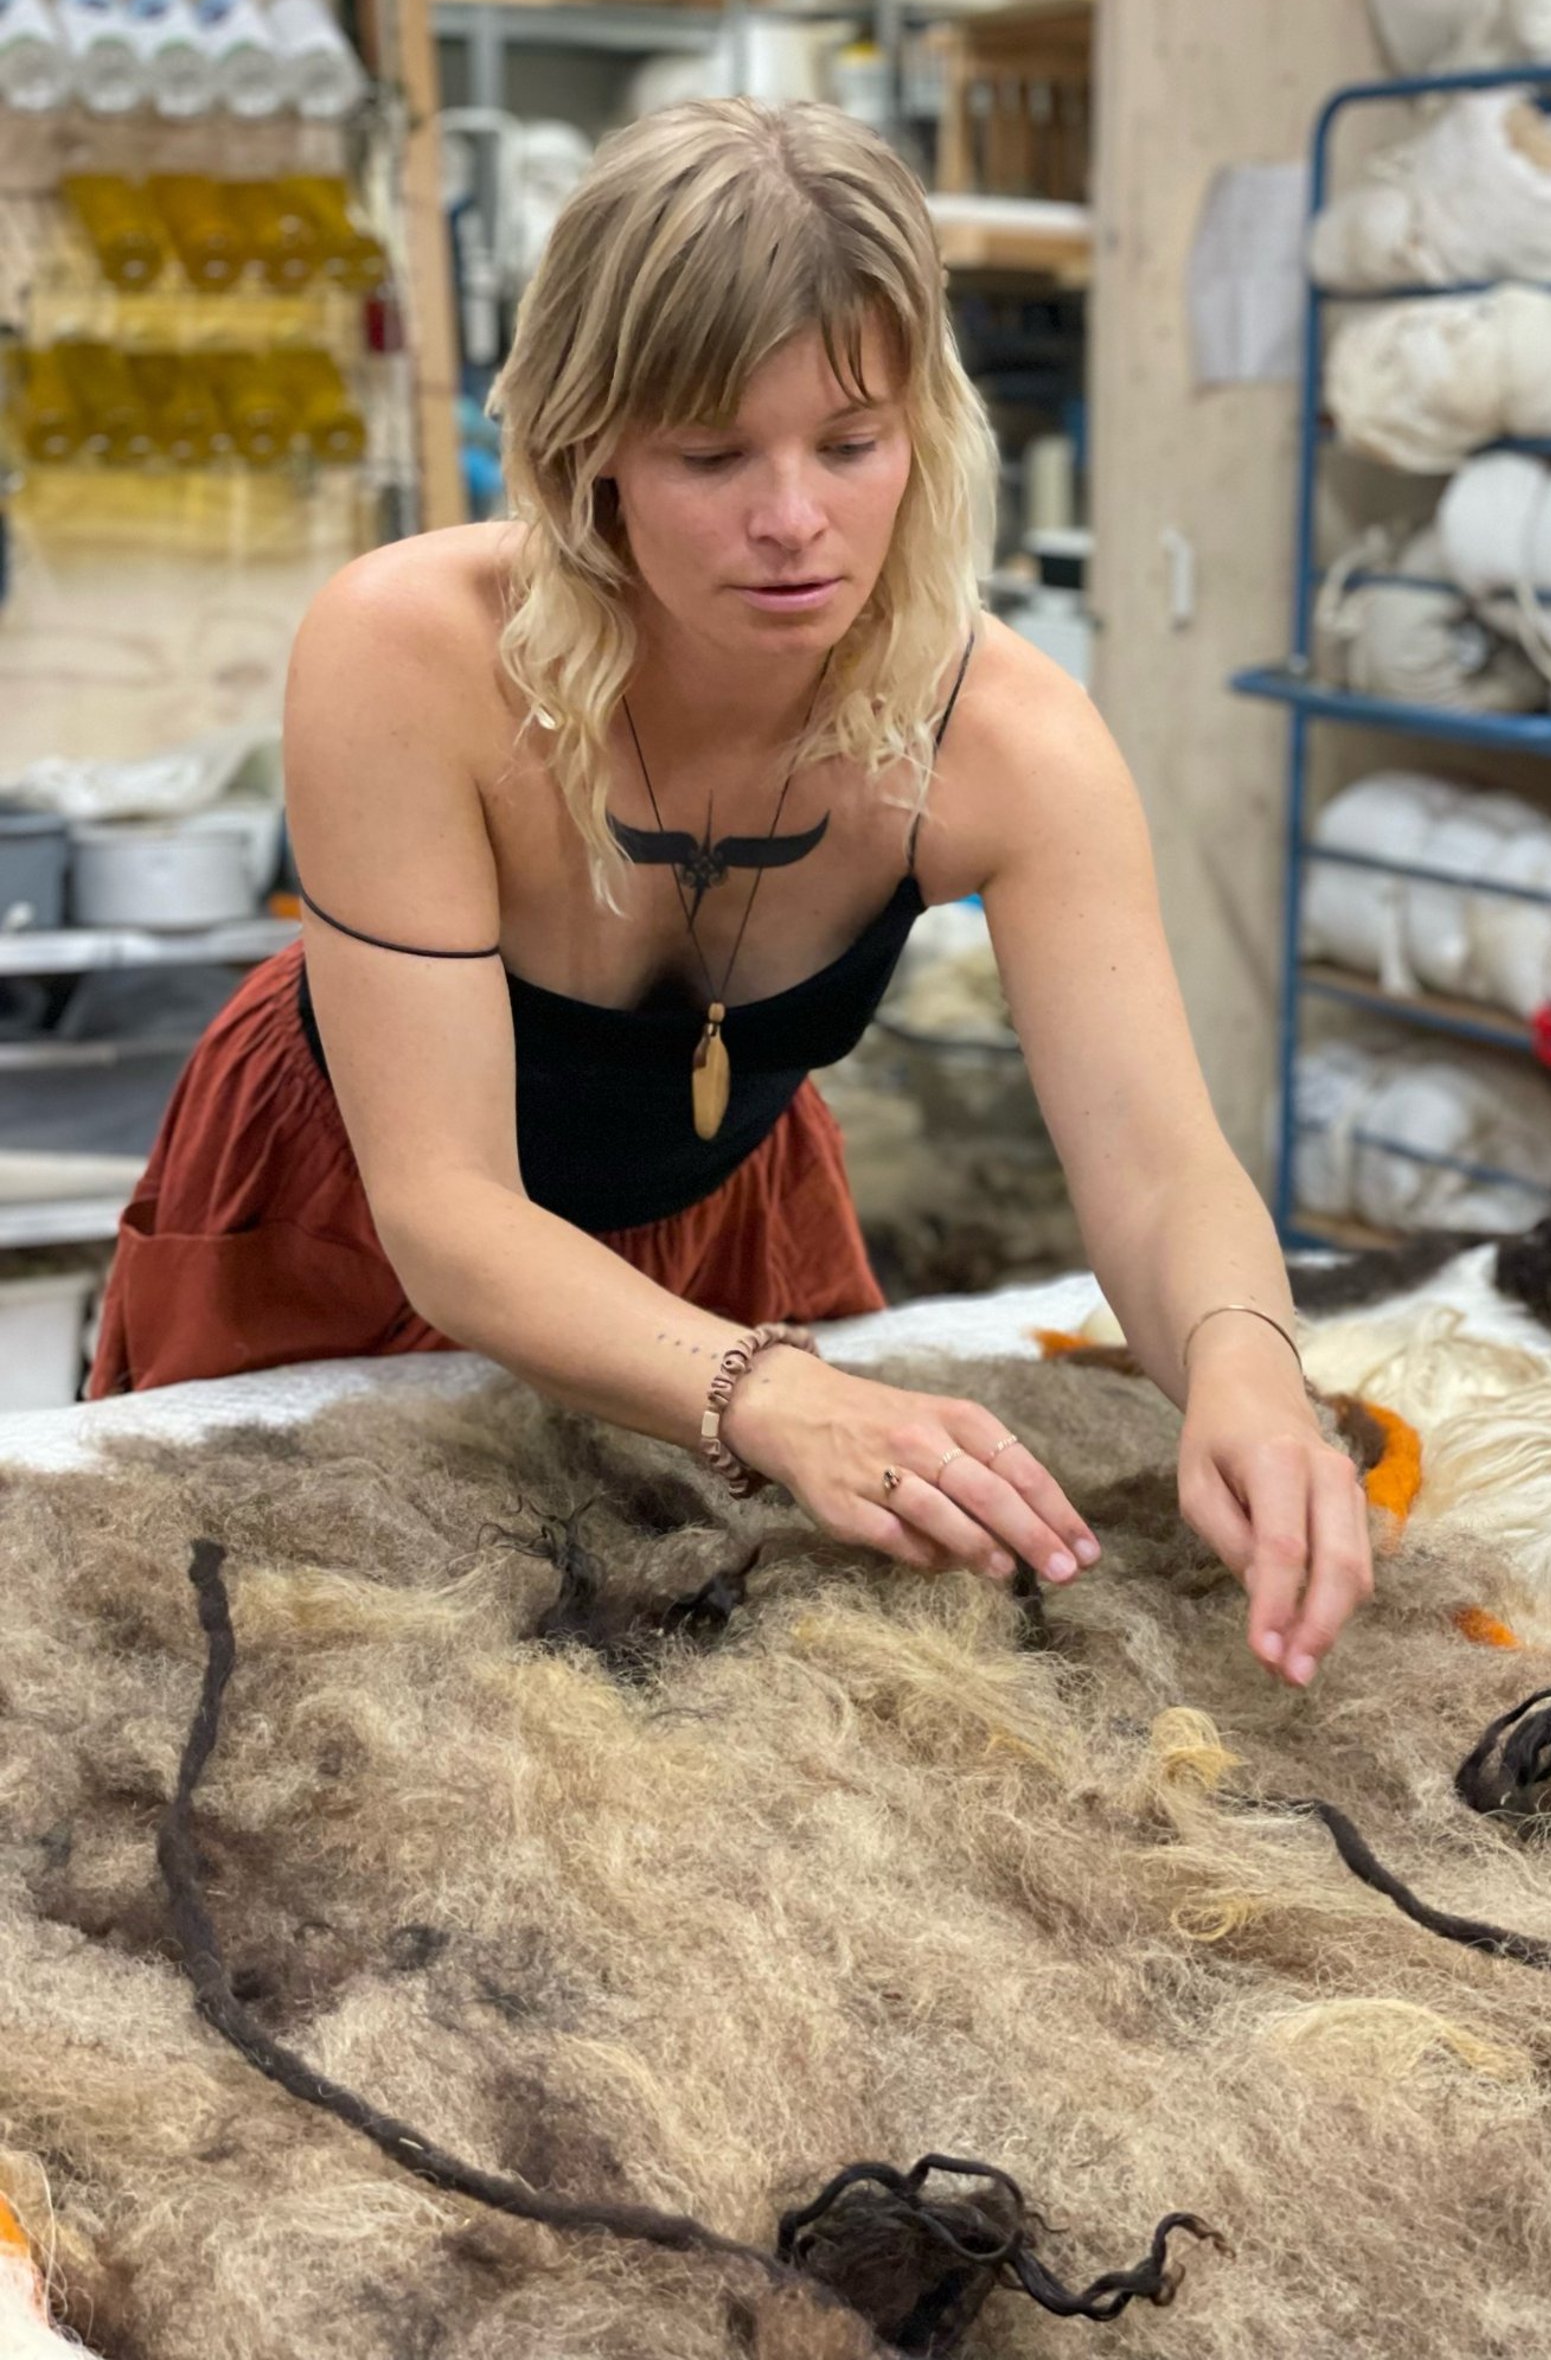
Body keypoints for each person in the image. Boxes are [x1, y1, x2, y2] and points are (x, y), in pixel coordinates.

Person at [89, 98, 1371, 1687]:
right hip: (347, 1207)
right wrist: (772, 1395)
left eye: (851, 444)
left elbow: (1162, 1171)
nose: (793, 520)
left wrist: (1247, 1369)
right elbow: (447, 1208)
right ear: (587, 450)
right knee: (271, 1676)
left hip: (723, 1220)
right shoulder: (409, 655)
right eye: (710, 455)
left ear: (925, 428)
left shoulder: (1010, 742)